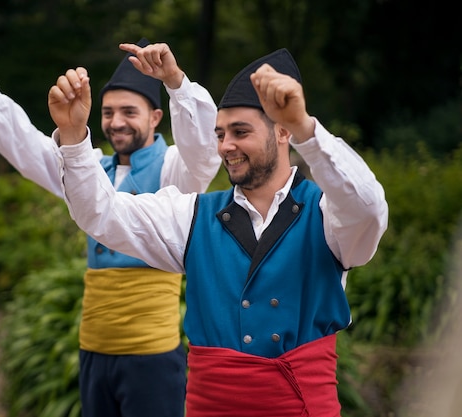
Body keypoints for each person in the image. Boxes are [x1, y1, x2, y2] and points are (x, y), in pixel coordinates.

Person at [47, 48, 389, 416]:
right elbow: (101, 213)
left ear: (283, 131)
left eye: (240, 132)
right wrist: (72, 134)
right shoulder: (193, 213)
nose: (225, 146)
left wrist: (308, 130)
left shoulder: (327, 215)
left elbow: (368, 208)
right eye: (221, 134)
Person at [0, 39, 221, 417]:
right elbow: (29, 149)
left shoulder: (175, 169)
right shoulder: (89, 168)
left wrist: (175, 80)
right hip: (93, 347)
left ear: (156, 118)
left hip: (152, 353)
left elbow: (204, 148)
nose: (116, 122)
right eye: (108, 112)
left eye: (129, 112)